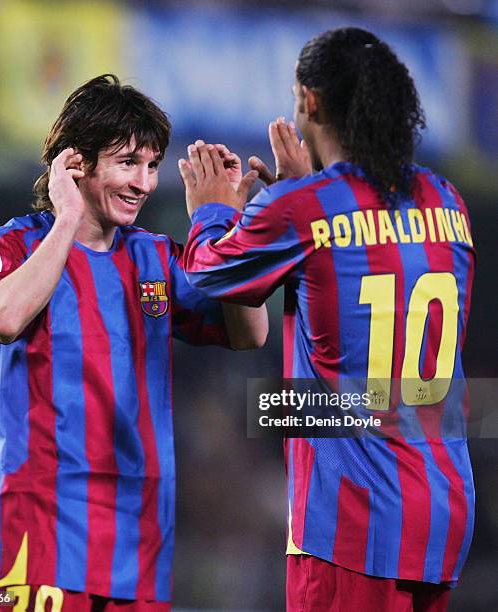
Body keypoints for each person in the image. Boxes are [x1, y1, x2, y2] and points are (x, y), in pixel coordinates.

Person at [179, 28, 475, 611]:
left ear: (310, 102)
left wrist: (214, 210)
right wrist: (301, 193)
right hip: (444, 511)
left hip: (355, 521)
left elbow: (207, 273)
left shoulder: (307, 209)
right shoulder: (448, 202)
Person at [0, 74, 268, 611]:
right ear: (75, 163)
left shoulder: (154, 258)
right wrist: (67, 221)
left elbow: (250, 334)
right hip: (40, 520)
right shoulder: (10, 246)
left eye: (151, 166)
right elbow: (3, 318)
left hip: (138, 525)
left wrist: (231, 236)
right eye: (128, 163)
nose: (144, 183)